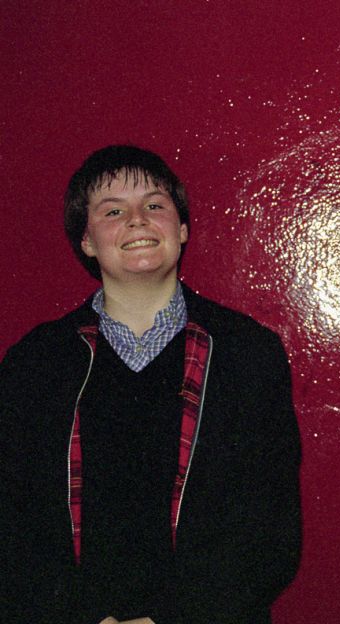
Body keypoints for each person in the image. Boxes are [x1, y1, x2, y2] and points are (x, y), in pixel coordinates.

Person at [0, 145, 302, 623]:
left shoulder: (249, 353)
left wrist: (171, 618)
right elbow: (13, 524)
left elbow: (270, 527)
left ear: (181, 229)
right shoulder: (35, 363)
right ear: (87, 241)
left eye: (155, 205)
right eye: (113, 210)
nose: (137, 220)